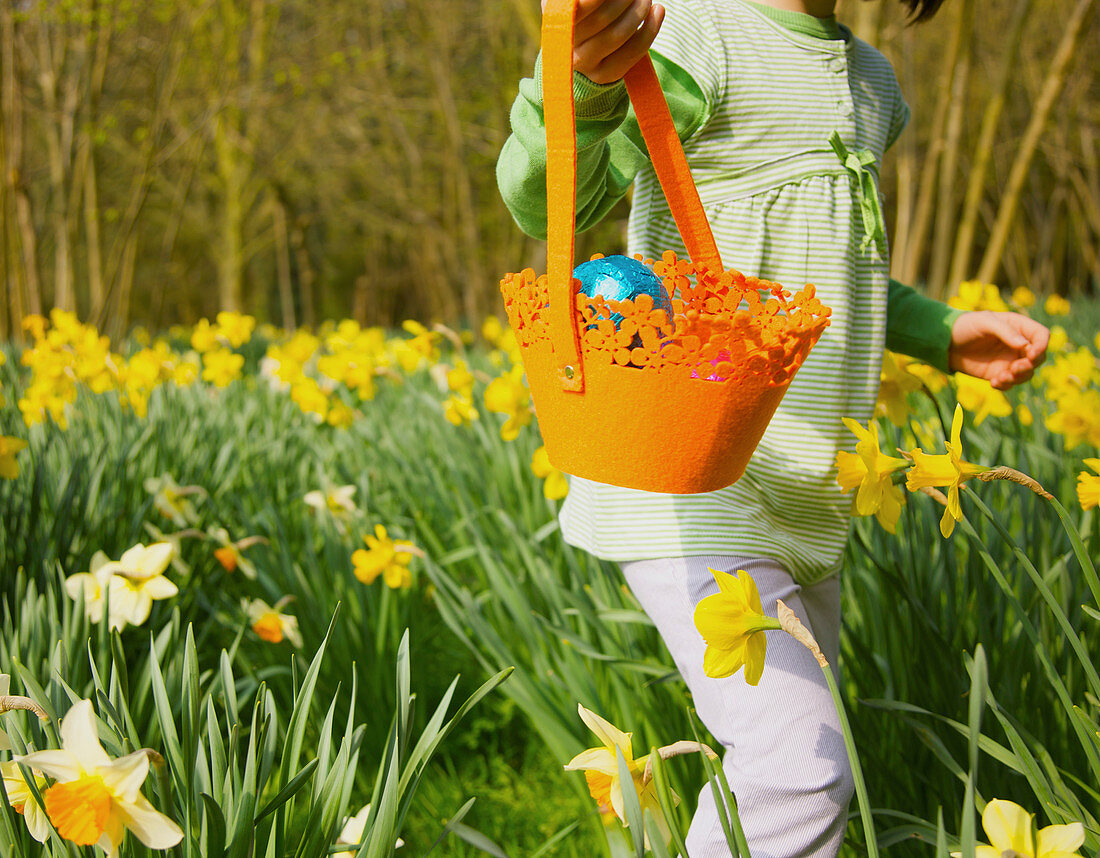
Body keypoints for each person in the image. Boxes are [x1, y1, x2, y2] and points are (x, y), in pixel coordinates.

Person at [496, 1, 1050, 856]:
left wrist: (938, 331)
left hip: (809, 484)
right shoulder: (697, 35)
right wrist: (585, 85)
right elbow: (549, 203)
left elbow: (826, 270)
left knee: (798, 771)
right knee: (798, 772)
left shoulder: (873, 83)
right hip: (686, 469)